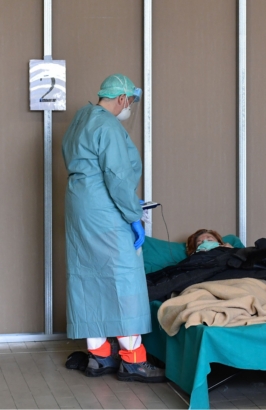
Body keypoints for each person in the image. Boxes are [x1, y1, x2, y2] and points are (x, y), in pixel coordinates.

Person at [62, 73, 164, 382]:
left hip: (80, 208)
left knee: (86, 279)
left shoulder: (82, 117)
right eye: (130, 102)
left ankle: (100, 357)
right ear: (121, 98)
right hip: (105, 211)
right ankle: (133, 361)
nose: (129, 108)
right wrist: (134, 214)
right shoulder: (107, 125)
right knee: (124, 278)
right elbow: (118, 178)